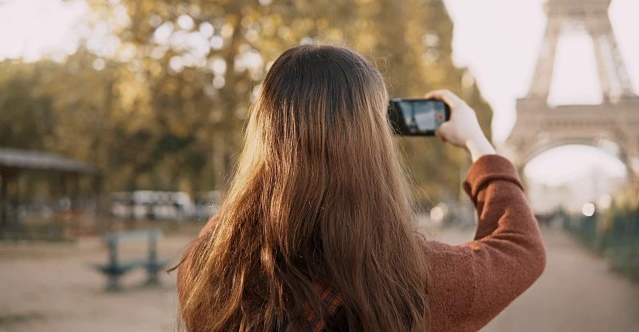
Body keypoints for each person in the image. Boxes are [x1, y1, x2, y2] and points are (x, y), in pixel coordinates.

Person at [176, 44, 546, 331]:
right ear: (374, 148)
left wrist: (279, 145)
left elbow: (239, 213)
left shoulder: (209, 269)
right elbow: (521, 248)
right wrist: (478, 142)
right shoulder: (410, 281)